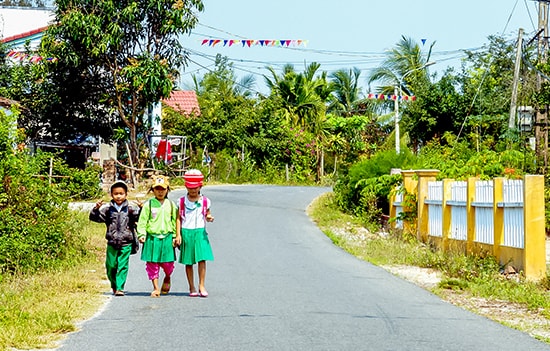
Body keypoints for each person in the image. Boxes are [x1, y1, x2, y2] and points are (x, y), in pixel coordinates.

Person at [89, 180, 140, 296]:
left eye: (121, 193)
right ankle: (114, 284)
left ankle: (120, 287)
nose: (118, 196)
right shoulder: (108, 210)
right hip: (112, 242)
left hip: (126, 241)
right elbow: (95, 218)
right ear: (111, 195)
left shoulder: (130, 209)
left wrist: (141, 208)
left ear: (126, 194)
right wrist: (96, 209)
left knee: (122, 265)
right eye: (116, 193)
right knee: (111, 265)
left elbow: (140, 218)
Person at [137, 175, 178, 297]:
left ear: (167, 190)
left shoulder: (171, 205)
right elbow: (142, 221)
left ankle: (167, 277)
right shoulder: (148, 205)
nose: (160, 191)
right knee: (152, 263)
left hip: (167, 237)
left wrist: (175, 236)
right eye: (157, 189)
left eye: (163, 189)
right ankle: (155, 287)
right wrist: (141, 234)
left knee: (168, 264)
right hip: (152, 238)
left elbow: (175, 221)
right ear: (153, 190)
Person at [176, 169, 215, 298]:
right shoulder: (181, 201)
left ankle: (202, 285)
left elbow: (207, 213)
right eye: (190, 188)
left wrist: (209, 217)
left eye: (195, 188)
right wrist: (178, 235)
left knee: (202, 259)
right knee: (189, 261)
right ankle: (191, 286)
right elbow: (178, 218)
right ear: (186, 186)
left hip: (200, 232)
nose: (193, 190)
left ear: (200, 186)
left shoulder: (205, 201)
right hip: (186, 232)